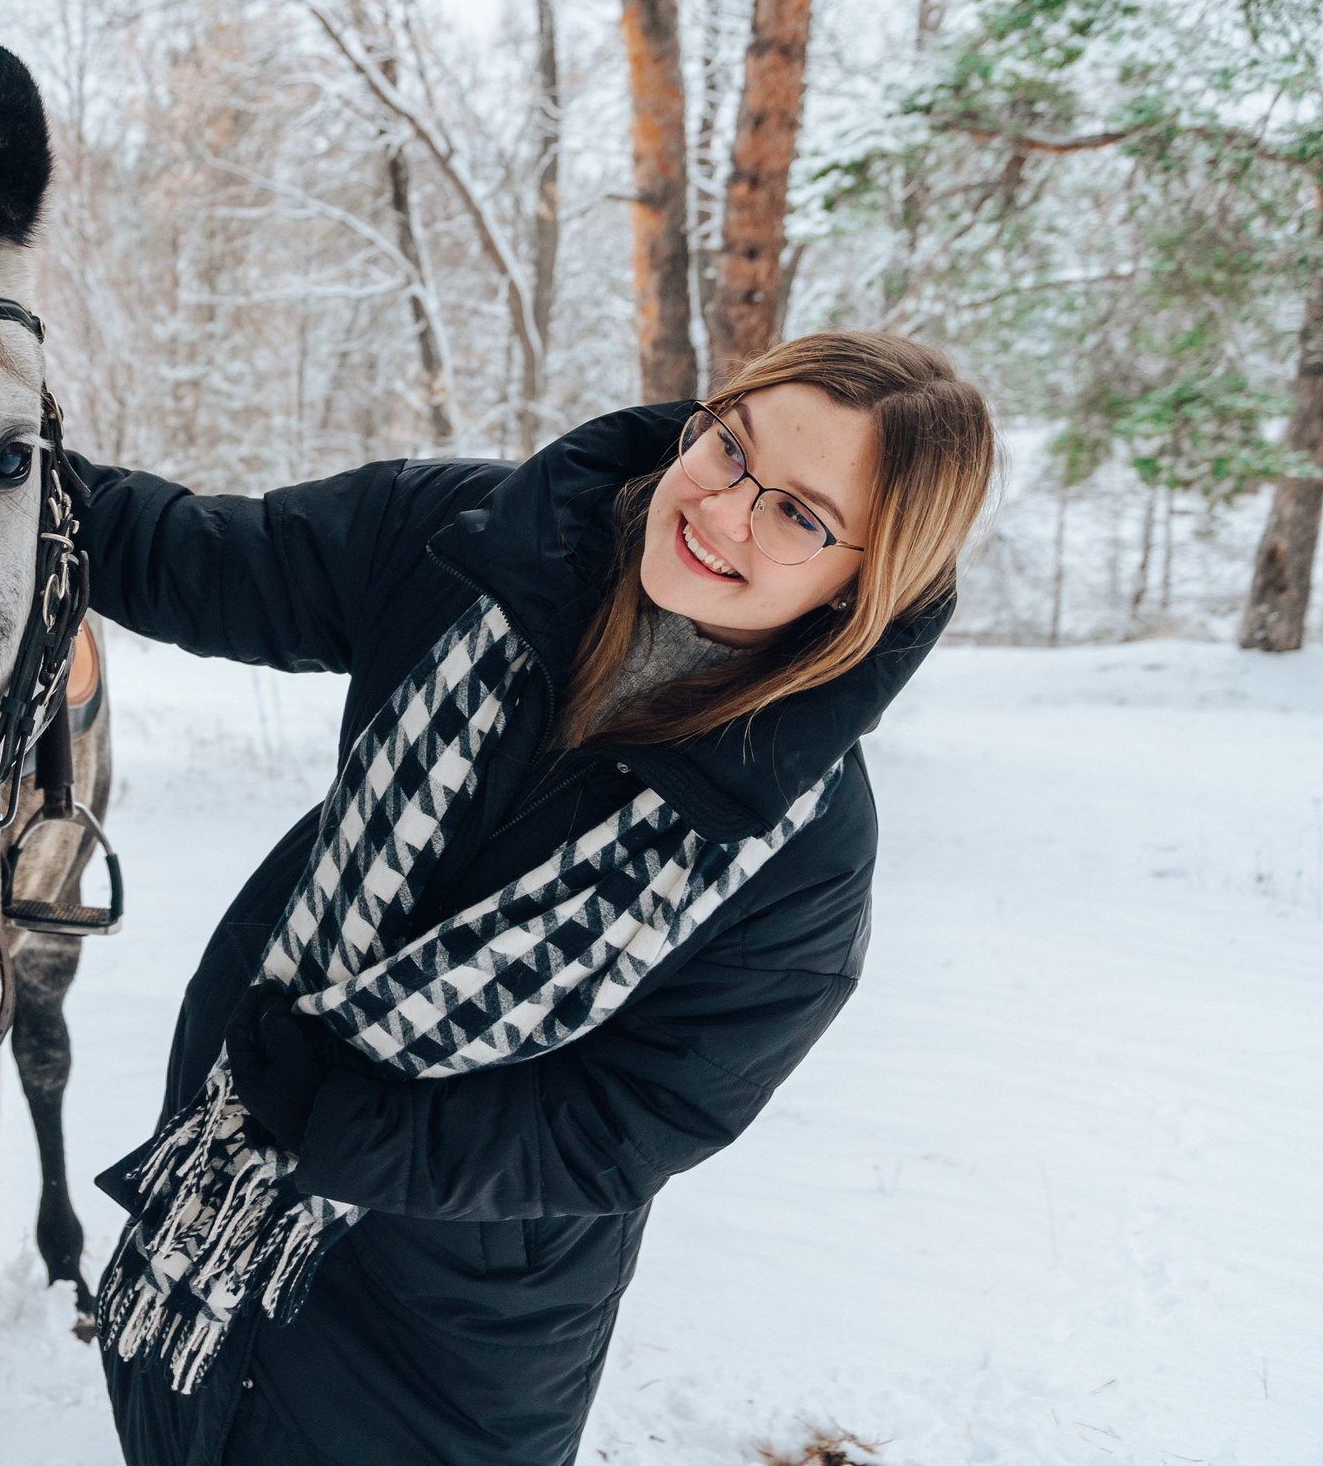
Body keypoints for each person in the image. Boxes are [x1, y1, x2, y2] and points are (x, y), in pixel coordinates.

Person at [75, 333, 996, 1466]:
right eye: (726, 447)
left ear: (868, 576)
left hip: (450, 1340)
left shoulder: (800, 850)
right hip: (211, 1211)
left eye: (799, 515)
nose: (723, 510)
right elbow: (195, 557)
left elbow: (625, 1125)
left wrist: (347, 1131)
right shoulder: (481, 543)